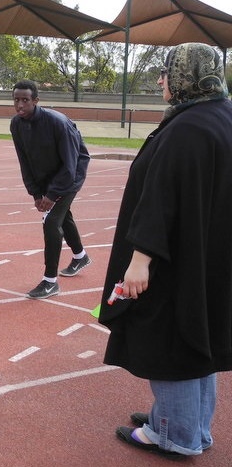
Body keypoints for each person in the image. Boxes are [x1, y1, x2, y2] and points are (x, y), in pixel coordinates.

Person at [99, 43, 232, 457]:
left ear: (186, 76)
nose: (161, 81)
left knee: (169, 343)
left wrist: (140, 261)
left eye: (167, 72)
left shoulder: (187, 129)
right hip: (210, 258)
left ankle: (175, 436)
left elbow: (161, 200)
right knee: (198, 342)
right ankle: (188, 425)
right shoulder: (221, 116)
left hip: (175, 262)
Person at [10, 79, 91, 299]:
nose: (20, 105)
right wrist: (36, 193)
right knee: (63, 217)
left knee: (52, 221)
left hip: (71, 174)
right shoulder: (16, 124)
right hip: (46, 176)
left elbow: (70, 164)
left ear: (36, 101)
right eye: (16, 100)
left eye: (25, 100)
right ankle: (80, 256)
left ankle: (50, 281)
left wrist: (52, 195)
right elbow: (24, 161)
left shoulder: (57, 123)